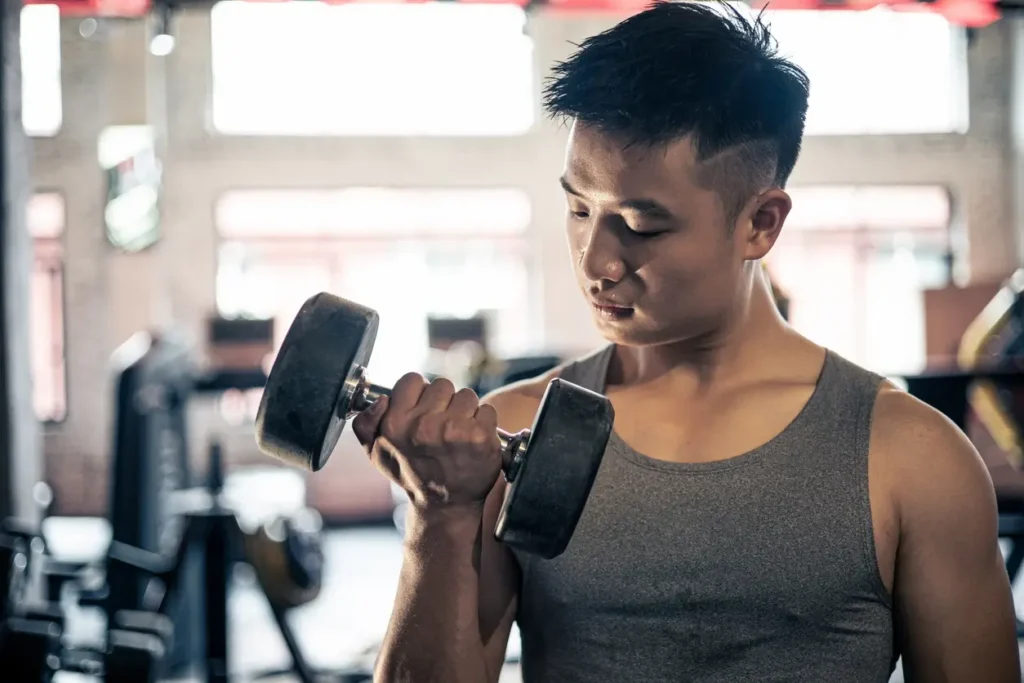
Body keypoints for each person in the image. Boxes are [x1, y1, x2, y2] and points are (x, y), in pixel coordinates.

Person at [352, 2, 1021, 681]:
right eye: (579, 208)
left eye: (641, 227)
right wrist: (440, 516)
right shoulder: (514, 432)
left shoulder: (911, 458)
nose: (595, 262)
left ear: (760, 222)